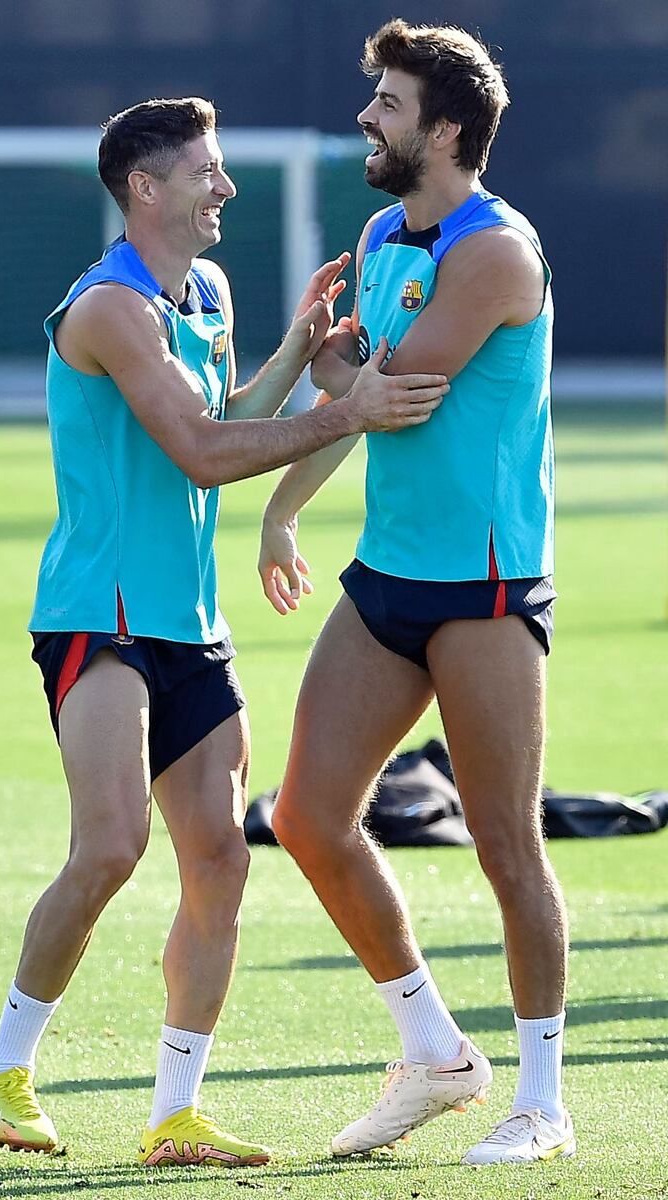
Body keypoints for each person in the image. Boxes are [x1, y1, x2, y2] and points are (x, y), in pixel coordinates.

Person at [0, 96, 449, 1168]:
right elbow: (195, 452)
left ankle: (173, 1112)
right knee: (109, 847)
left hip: (190, 624)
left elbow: (222, 418)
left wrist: (289, 356)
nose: (224, 187)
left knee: (220, 859)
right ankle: (4, 1072)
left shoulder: (208, 291)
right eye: (204, 172)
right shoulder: (108, 311)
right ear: (146, 190)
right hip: (101, 616)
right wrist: (344, 412)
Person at [259, 20, 573, 1167]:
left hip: (484, 590)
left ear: (444, 129)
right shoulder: (384, 230)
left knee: (502, 843)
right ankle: (436, 1052)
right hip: (387, 576)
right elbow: (357, 395)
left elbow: (393, 395)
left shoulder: (495, 251)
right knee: (301, 816)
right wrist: (284, 507)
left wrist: (335, 362)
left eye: (386, 104)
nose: (365, 119)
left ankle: (540, 1101)